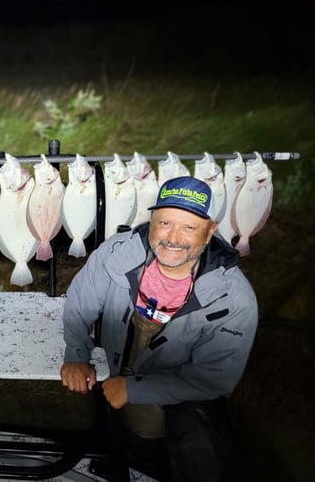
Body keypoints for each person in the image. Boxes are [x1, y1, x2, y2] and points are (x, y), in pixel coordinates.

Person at [60, 176, 258, 482]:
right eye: (164, 223)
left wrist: (132, 389)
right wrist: (76, 354)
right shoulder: (116, 253)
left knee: (173, 440)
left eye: (189, 227)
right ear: (151, 220)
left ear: (210, 231)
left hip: (177, 389)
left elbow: (214, 378)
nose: (173, 237)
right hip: (118, 366)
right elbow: (80, 302)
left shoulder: (235, 299)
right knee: (125, 433)